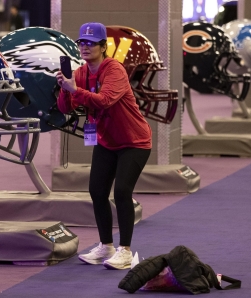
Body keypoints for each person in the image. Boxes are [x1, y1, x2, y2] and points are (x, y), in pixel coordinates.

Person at [56, 22, 152, 270]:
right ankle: (106, 246)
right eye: (81, 43)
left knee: (121, 191)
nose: (85, 47)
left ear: (103, 46)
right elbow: (65, 108)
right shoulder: (80, 72)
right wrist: (65, 88)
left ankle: (125, 251)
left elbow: (105, 100)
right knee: (97, 191)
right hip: (107, 141)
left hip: (134, 141)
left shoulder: (114, 70)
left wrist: (74, 89)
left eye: (90, 43)